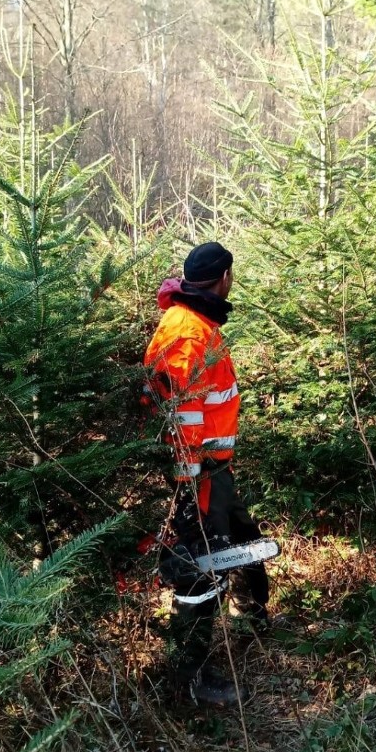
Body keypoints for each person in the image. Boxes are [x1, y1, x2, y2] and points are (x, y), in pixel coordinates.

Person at [144, 241, 272, 706]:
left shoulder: (195, 324)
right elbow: (182, 419)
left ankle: (252, 612)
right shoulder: (188, 334)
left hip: (214, 469)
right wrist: (189, 490)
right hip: (199, 475)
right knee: (202, 569)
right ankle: (190, 678)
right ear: (223, 278)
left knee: (240, 537)